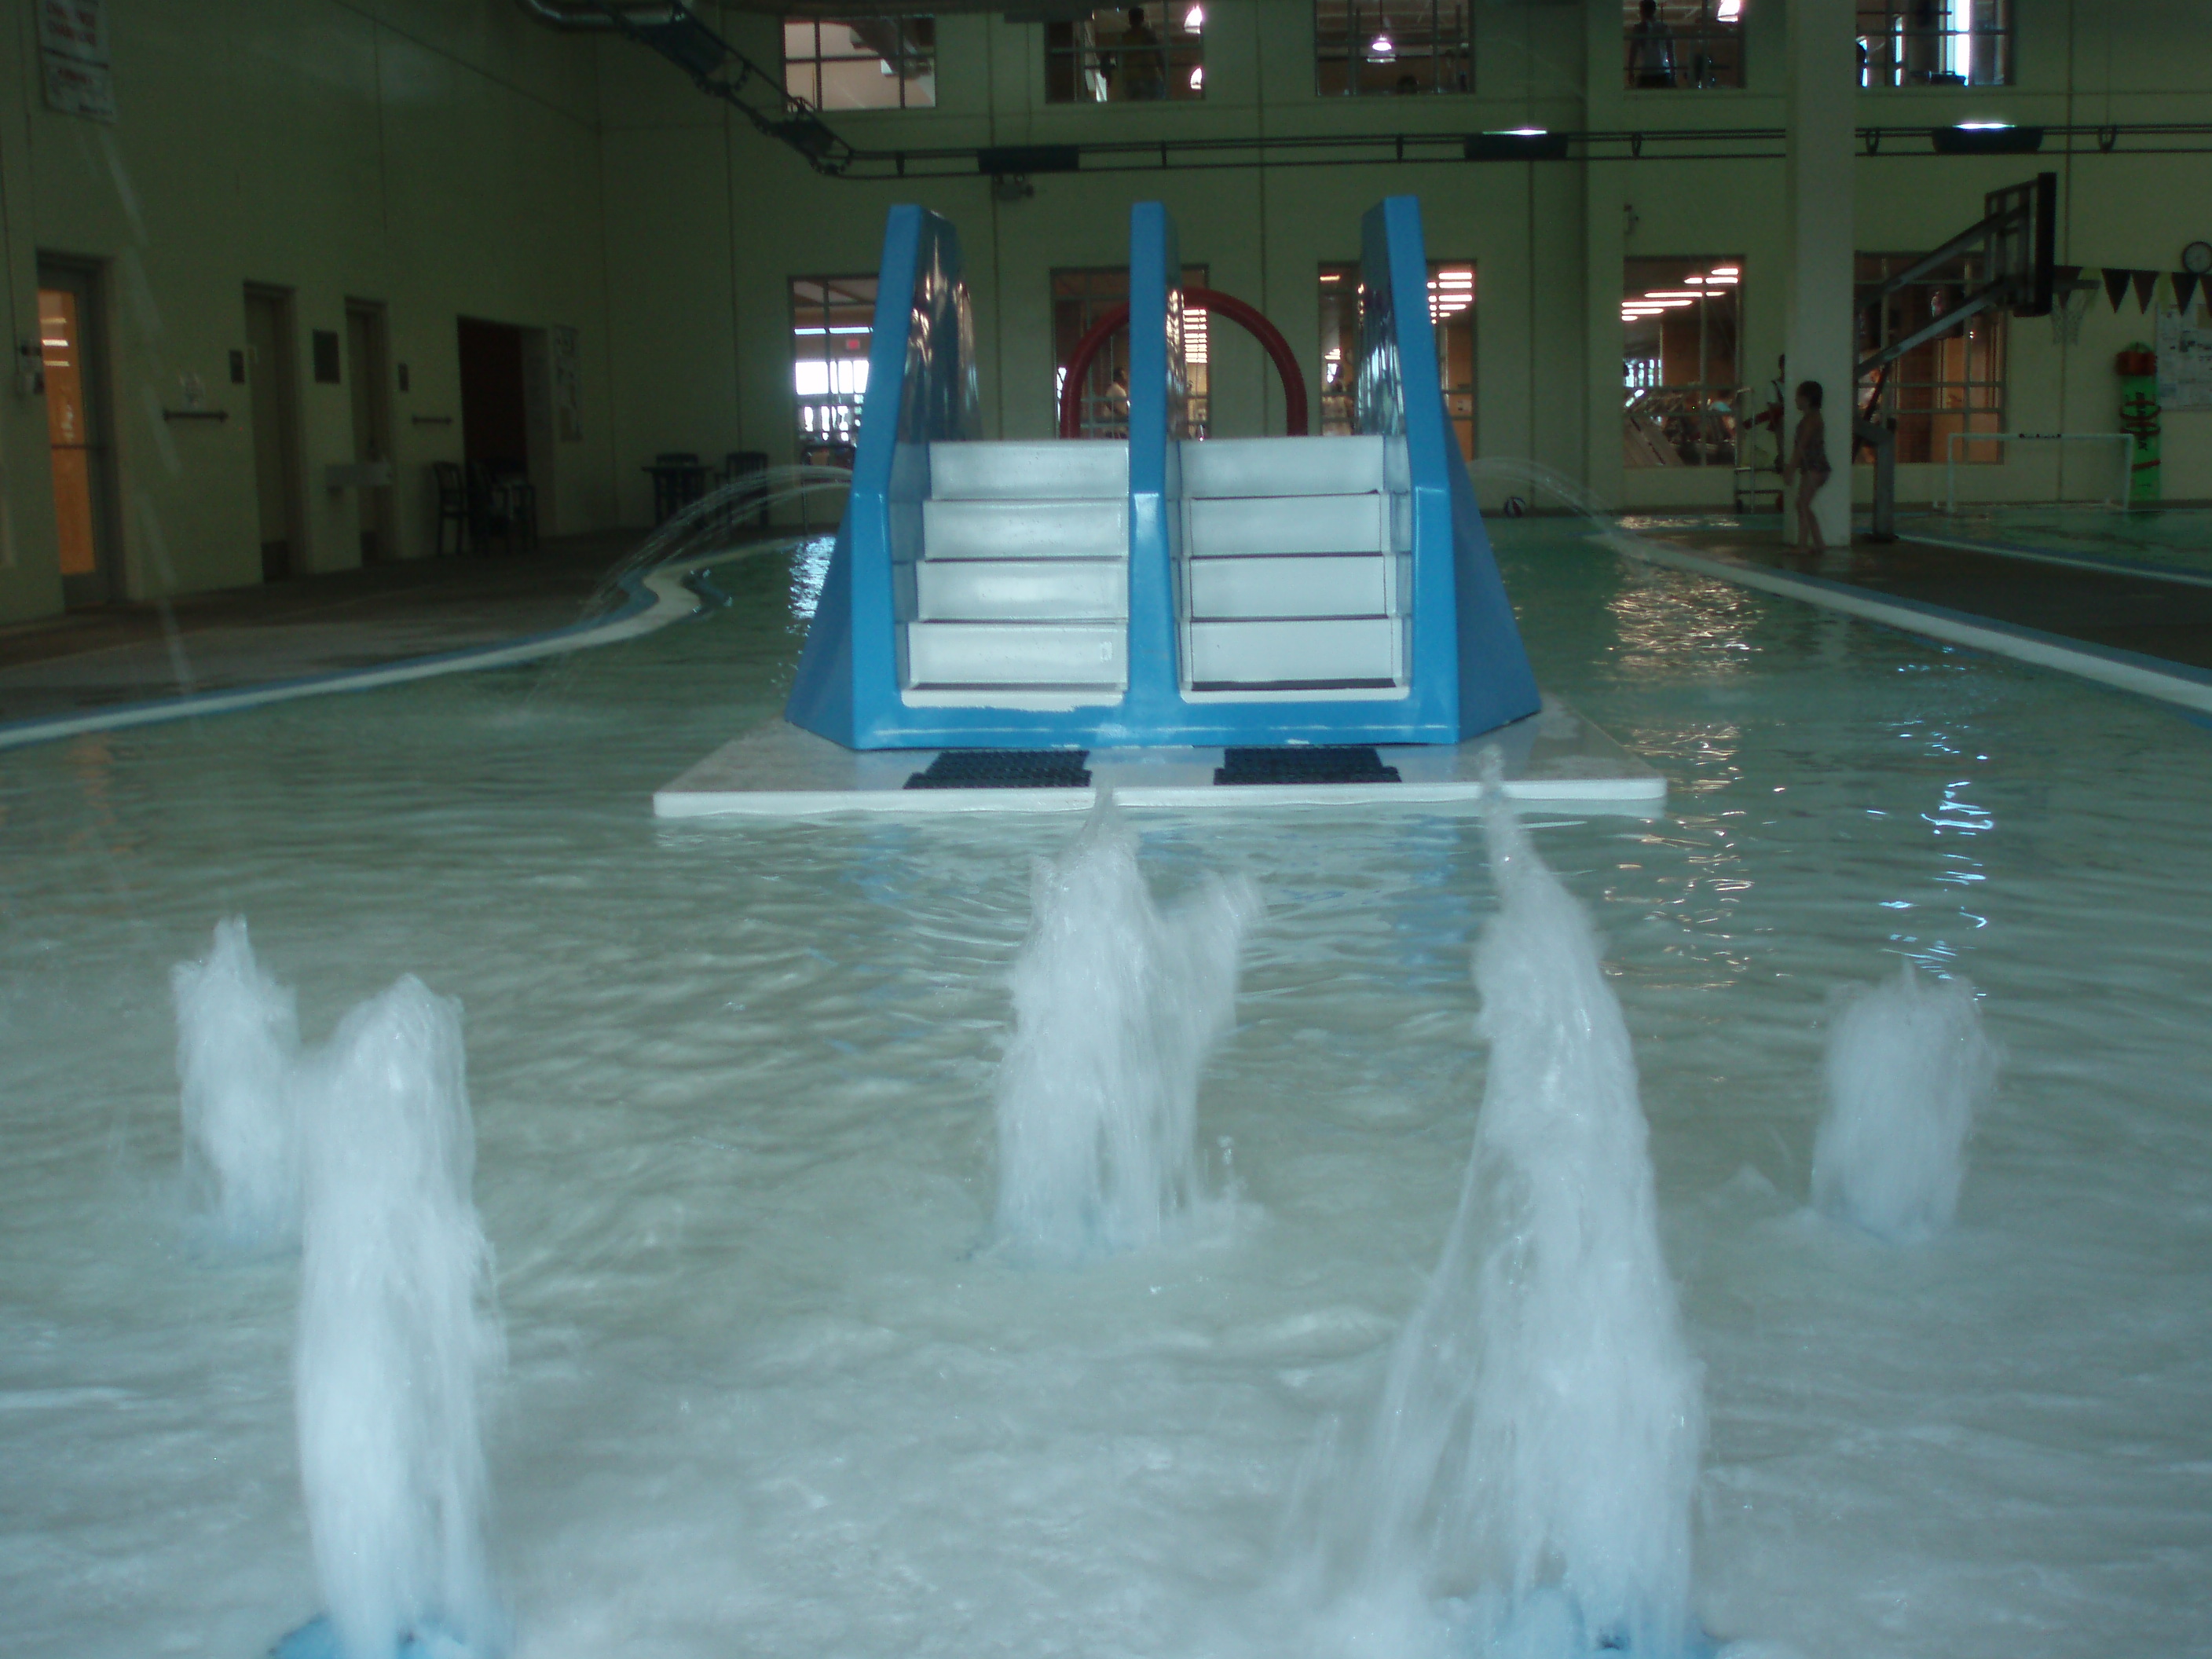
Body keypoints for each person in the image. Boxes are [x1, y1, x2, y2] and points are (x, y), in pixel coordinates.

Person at [1782, 379, 1831, 556]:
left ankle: (1802, 545)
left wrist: (1790, 469)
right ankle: (1819, 543)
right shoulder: (1813, 417)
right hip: (1816, 467)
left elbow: (1801, 447)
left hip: (1815, 468)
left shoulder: (1811, 420)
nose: (1795, 400)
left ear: (1807, 399)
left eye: (1798, 396)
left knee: (1802, 505)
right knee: (1803, 505)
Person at [1628, 0, 1678, 89]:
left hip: (1646, 73)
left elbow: (1633, 52)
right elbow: (1671, 53)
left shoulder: (1638, 29)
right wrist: (1673, 73)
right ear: (1655, 11)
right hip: (1662, 73)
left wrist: (1630, 71)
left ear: (1642, 11)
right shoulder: (1664, 28)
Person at [1122, 6, 1168, 101]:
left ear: (1130, 20)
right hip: (1149, 77)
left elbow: (1119, 59)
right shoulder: (1148, 35)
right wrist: (1165, 73)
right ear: (1142, 19)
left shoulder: (1125, 38)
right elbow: (1158, 54)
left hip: (1132, 78)